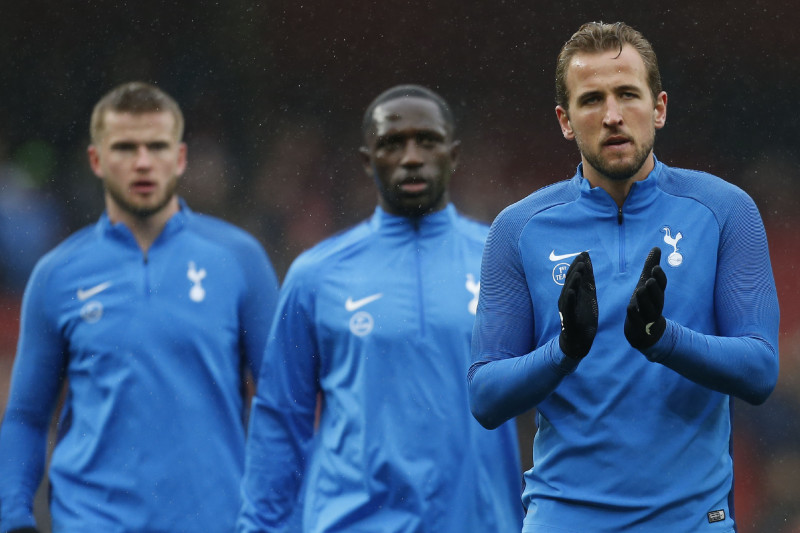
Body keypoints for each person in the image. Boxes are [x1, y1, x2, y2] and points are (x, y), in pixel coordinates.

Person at [468, 21, 780, 533]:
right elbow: (485, 397)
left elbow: (761, 370)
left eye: (627, 94)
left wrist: (663, 338)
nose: (612, 115)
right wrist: (565, 350)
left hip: (692, 523)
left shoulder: (726, 211)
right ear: (565, 121)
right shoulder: (518, 228)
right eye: (591, 100)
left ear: (658, 108)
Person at [237, 85, 523, 532]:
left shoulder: (505, 261)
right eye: (392, 143)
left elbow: (558, 400)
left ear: (454, 154)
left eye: (427, 141)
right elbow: (280, 418)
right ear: (368, 160)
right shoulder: (315, 275)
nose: (411, 157)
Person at [0, 82, 280, 532]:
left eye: (157, 146)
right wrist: (13, 518)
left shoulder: (239, 260)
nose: (143, 162)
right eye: (125, 147)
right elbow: (26, 418)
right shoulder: (57, 276)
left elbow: (282, 405)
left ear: (181, 157)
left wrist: (279, 517)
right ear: (96, 160)